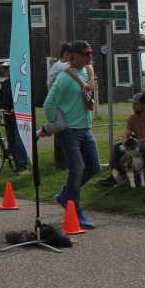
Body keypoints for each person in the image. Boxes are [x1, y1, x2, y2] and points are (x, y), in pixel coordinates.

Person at [40, 40, 99, 229]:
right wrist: (57, 124)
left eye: (90, 53)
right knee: (77, 169)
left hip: (85, 129)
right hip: (69, 132)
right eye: (85, 53)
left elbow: (90, 72)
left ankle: (66, 195)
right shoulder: (64, 78)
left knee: (94, 167)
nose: (89, 56)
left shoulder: (86, 71)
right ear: (73, 56)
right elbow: (49, 103)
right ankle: (75, 212)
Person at [101, 92, 145, 185]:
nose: (133, 106)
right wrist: (126, 142)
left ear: (144, 105)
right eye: (133, 104)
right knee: (117, 146)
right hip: (138, 143)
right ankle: (115, 175)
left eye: (136, 104)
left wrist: (136, 142)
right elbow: (127, 132)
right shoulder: (133, 117)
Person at [0, 65, 29, 174]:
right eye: (3, 68)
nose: (4, 70)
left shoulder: (19, 82)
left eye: (6, 68)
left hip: (17, 116)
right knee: (11, 141)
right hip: (7, 115)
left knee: (18, 141)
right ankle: (17, 165)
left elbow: (24, 97)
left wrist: (17, 109)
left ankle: (23, 166)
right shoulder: (5, 83)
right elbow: (0, 97)